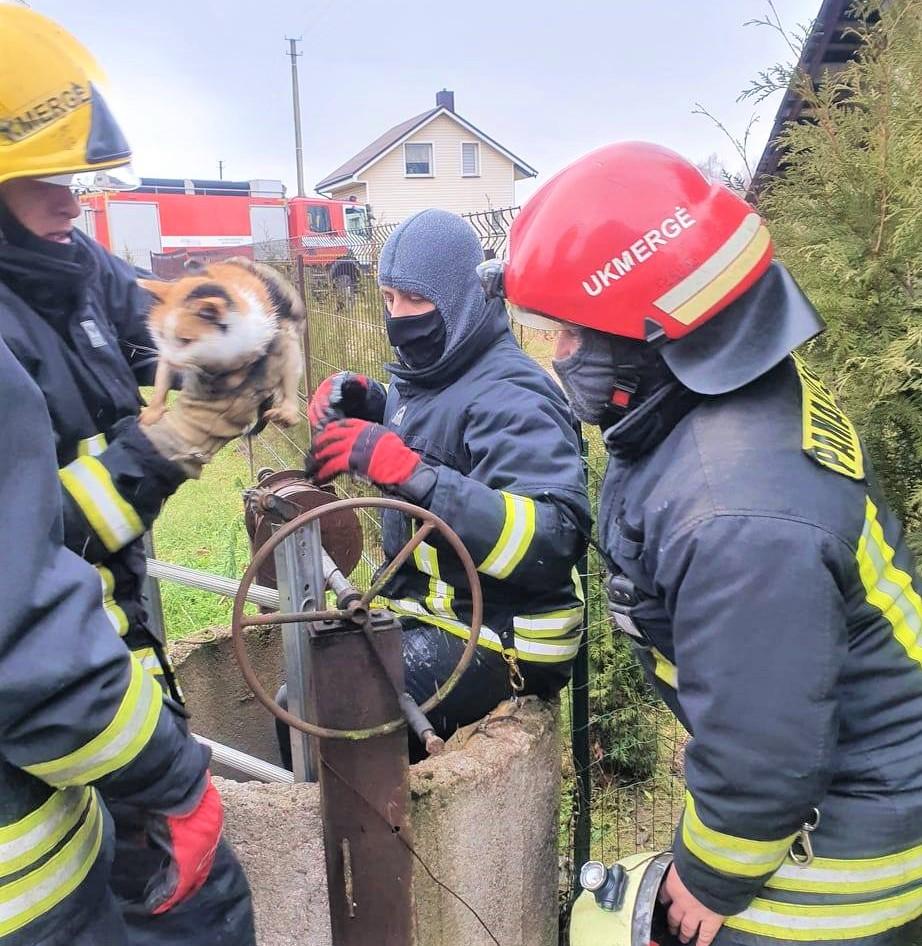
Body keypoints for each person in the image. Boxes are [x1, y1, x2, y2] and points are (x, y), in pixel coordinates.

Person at [485, 141, 922, 946]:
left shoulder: (736, 512)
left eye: (576, 335)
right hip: (856, 772)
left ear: (661, 334)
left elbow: (766, 740)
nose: (560, 356)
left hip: (852, 854)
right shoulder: (735, 400)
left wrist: (713, 872)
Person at [0, 8, 260, 944]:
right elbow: (24, 570)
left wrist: (240, 317)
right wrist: (162, 449)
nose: (72, 198)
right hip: (44, 789)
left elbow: (154, 303)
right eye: (42, 178)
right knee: (207, 912)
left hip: (90, 703)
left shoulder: (53, 266)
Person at [296, 208, 590, 762]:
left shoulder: (514, 394)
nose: (398, 316)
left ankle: (378, 844)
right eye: (387, 299)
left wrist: (411, 473)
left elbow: (553, 541)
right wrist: (376, 404)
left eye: (414, 299)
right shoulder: (439, 369)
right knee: (307, 682)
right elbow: (447, 432)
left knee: (324, 710)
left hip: (508, 637)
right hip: (436, 614)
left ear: (458, 298)